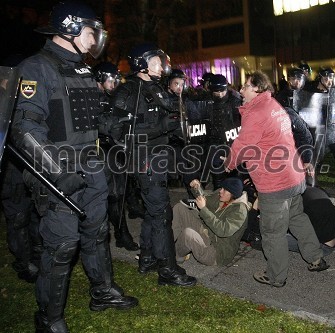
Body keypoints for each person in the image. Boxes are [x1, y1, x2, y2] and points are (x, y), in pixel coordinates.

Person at [10, 2, 138, 331]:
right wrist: (57, 173)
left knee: (97, 234)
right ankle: (49, 318)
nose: (96, 37)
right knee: (62, 245)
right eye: (92, 30)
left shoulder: (81, 69)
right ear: (71, 29)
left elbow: (87, 118)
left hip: (90, 165)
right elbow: (25, 129)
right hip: (57, 172)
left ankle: (103, 292)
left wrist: (116, 124)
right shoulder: (35, 68)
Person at [224, 70, 329, 288]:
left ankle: (276, 276)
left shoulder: (257, 112)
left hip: (275, 183)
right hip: (293, 175)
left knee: (272, 231)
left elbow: (244, 144)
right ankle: (316, 258)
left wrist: (230, 163)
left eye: (246, 86)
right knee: (297, 217)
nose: (241, 90)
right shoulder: (274, 106)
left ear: (257, 89)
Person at [110, 43, 197, 287]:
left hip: (158, 157)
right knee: (161, 214)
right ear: (142, 63)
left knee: (153, 211)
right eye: (157, 62)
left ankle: (147, 258)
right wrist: (162, 127)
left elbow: (166, 116)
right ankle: (167, 269)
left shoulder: (156, 88)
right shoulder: (129, 92)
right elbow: (116, 130)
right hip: (143, 158)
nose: (162, 66)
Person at [93, 61, 139, 251]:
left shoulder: (113, 98)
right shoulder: (88, 97)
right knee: (107, 195)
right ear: (100, 79)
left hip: (114, 150)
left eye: (115, 81)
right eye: (111, 80)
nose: (114, 85)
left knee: (118, 193)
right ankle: (112, 235)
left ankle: (121, 233)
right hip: (96, 152)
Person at [172, 177, 250, 266]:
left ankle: (175, 257)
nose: (221, 191)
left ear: (233, 194)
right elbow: (205, 199)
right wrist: (197, 188)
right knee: (179, 208)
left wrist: (204, 209)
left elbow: (223, 231)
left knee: (188, 234)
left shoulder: (240, 211)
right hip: (207, 233)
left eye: (225, 190)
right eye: (222, 188)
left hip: (216, 252)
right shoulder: (222, 197)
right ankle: (167, 246)